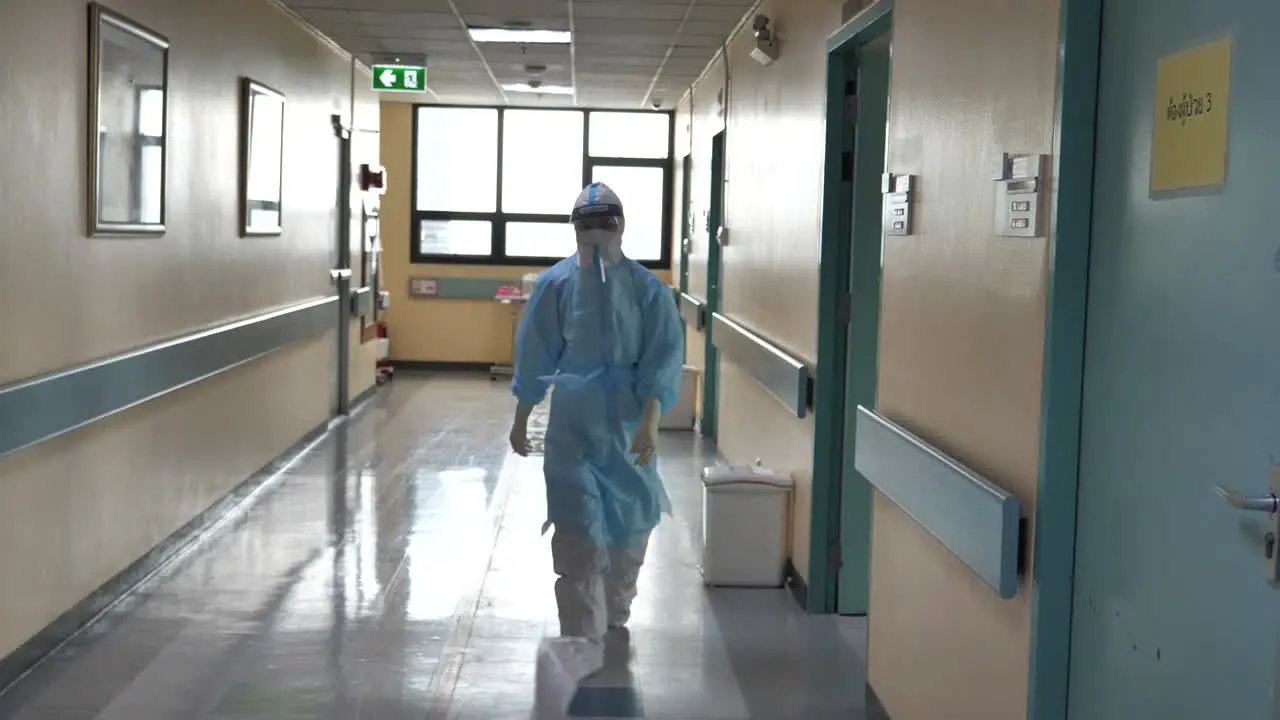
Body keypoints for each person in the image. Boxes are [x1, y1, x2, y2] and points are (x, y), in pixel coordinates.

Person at [508, 182, 684, 646]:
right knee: (576, 529)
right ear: (573, 230)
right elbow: (535, 353)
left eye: (602, 225)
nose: (593, 235)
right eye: (584, 226)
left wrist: (650, 419)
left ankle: (614, 612)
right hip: (573, 425)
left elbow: (661, 357)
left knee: (629, 527)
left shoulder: (649, 291)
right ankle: (580, 631)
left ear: (620, 226)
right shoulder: (556, 285)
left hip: (628, 425)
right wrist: (522, 414)